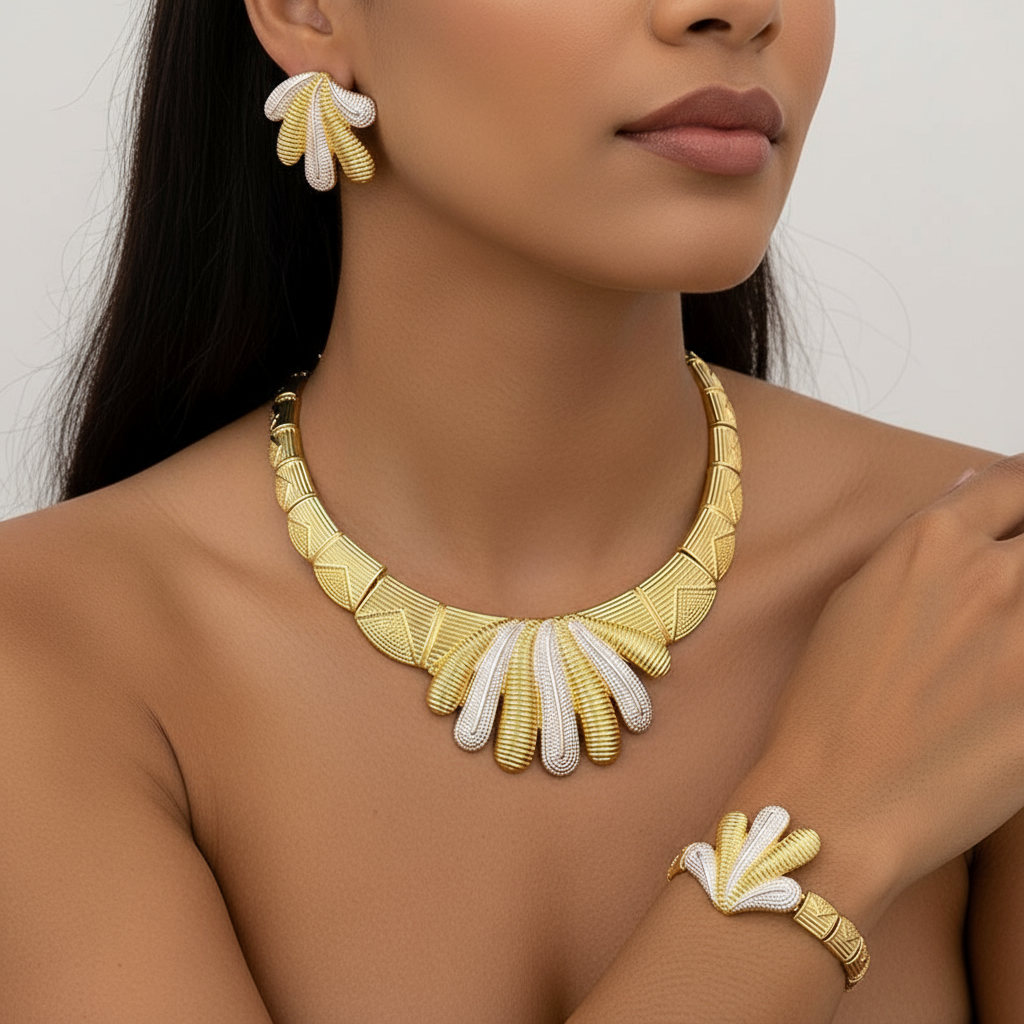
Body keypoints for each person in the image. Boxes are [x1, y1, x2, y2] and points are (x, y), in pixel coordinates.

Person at [0, 0, 1021, 1020]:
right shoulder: (51, 644)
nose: (737, 9)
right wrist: (828, 825)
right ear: (308, 11)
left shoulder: (989, 592)